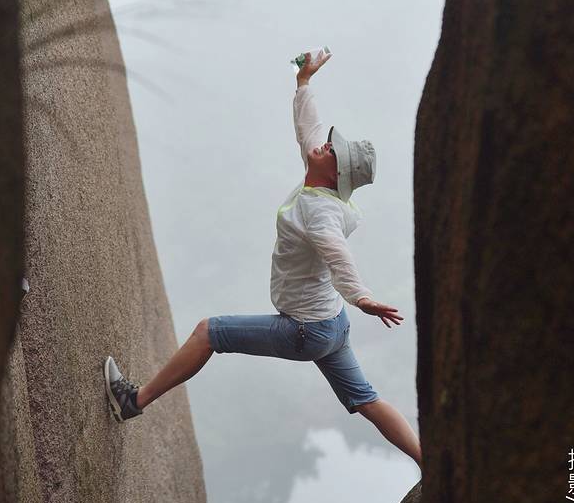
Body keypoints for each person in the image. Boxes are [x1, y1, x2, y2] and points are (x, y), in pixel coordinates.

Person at [104, 50, 422, 469]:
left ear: (337, 174)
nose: (327, 144)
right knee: (366, 399)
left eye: (334, 151)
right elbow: (309, 129)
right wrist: (303, 82)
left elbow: (338, 255)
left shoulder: (321, 213)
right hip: (331, 323)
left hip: (307, 329)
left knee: (208, 333)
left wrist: (361, 297)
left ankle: (133, 401)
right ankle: (428, 461)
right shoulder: (320, 180)